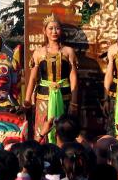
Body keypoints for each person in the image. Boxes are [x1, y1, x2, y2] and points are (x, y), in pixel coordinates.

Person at [24, 14, 78, 143]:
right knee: (42, 126)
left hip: (64, 96)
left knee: (64, 128)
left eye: (57, 28)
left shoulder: (68, 51)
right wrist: (27, 99)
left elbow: (73, 77)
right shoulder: (38, 52)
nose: (54, 31)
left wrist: (74, 102)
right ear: (45, 31)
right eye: (51, 28)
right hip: (43, 98)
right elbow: (33, 78)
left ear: (61, 31)